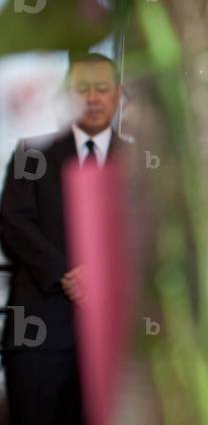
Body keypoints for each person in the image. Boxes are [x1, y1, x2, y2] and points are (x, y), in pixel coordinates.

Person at [0, 52, 124, 424]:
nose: (92, 98)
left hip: (116, 337)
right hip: (41, 328)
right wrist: (66, 272)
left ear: (118, 95)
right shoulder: (31, 153)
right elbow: (12, 221)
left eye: (102, 88)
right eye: (82, 88)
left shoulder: (141, 160)